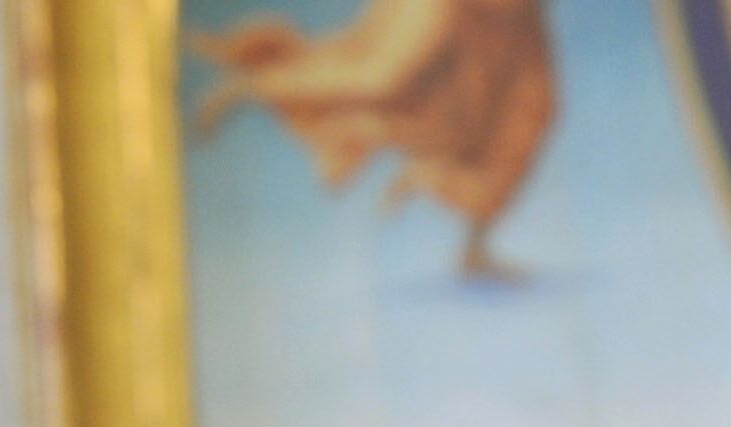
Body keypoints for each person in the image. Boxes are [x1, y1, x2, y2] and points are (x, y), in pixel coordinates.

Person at [190, 0, 558, 280]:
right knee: (383, 78)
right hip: (458, 14)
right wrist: (256, 88)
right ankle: (256, 87)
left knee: (520, 111)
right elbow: (378, 75)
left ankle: (474, 246)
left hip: (508, 25)